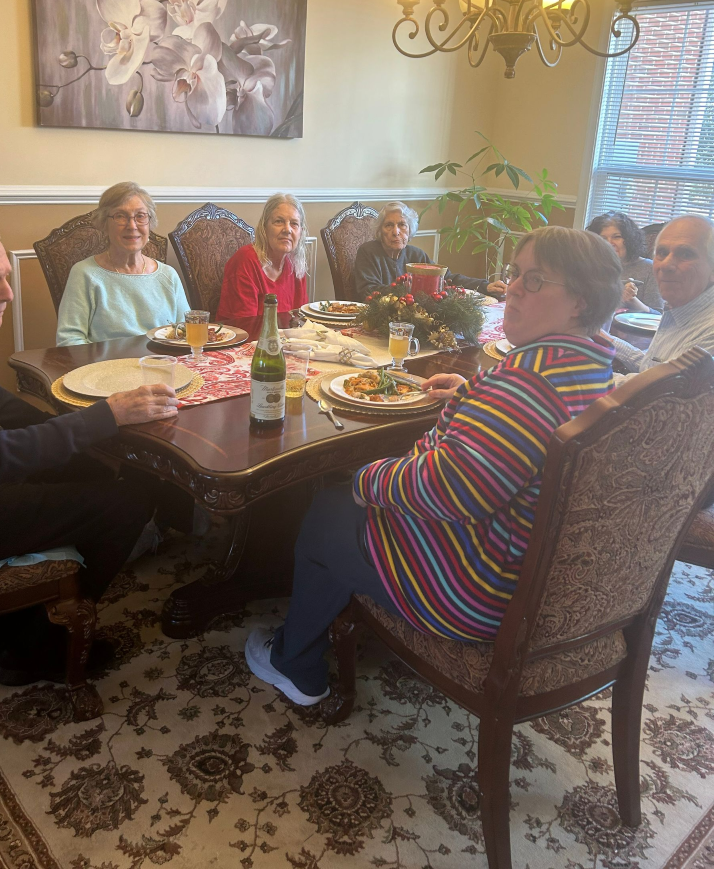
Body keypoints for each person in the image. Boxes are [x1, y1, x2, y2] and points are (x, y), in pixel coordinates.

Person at [245, 226, 620, 705]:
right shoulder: (585, 368)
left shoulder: (527, 386)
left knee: (331, 509)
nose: (513, 290)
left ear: (581, 302)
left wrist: (366, 479)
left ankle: (294, 666)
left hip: (474, 586)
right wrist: (474, 395)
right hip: (524, 567)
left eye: (535, 280)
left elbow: (452, 490)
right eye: (515, 275)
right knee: (348, 504)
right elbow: (524, 426)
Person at [0, 212, 181, 685]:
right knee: (129, 501)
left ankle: (3, 626)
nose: (8, 294)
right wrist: (104, 417)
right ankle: (35, 649)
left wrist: (79, 435)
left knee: (93, 470)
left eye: (5, 278)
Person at [56, 182, 188, 345]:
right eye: (120, 216)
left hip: (163, 364)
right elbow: (69, 340)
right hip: (108, 366)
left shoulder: (168, 275)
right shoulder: (85, 274)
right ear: (104, 223)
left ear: (149, 222)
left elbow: (185, 334)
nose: (132, 226)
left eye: (140, 216)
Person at [609, 215, 714, 374]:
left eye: (685, 254)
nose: (666, 264)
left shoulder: (709, 332)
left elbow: (655, 390)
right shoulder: (680, 309)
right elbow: (652, 367)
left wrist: (583, 379)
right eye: (662, 252)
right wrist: (603, 337)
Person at [353, 201, 508, 303]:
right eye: (388, 225)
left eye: (402, 225)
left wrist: (484, 286)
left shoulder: (416, 255)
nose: (396, 232)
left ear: (410, 229)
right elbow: (368, 291)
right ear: (380, 230)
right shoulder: (368, 252)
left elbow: (446, 278)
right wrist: (410, 289)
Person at [216, 193, 308, 327]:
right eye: (279, 221)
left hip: (287, 342)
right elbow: (245, 327)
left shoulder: (296, 263)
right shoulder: (246, 261)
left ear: (301, 232)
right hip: (249, 341)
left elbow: (301, 320)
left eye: (294, 224)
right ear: (264, 227)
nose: (287, 229)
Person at [586, 210, 662, 313]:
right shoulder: (590, 267)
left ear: (630, 239)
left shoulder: (650, 269)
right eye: (603, 238)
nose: (609, 243)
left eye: (616, 237)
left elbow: (658, 316)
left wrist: (632, 300)